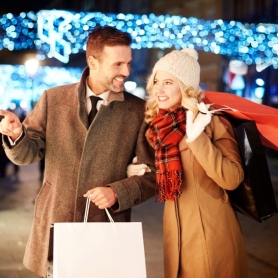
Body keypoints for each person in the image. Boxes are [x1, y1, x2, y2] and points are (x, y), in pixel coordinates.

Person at [0, 25, 156, 278]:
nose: (126, 72)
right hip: (55, 222)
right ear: (92, 61)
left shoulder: (138, 111)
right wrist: (17, 134)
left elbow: (153, 175)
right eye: (118, 64)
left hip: (106, 226)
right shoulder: (53, 99)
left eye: (128, 63)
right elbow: (27, 155)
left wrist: (118, 192)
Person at [128, 48, 248, 277]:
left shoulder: (210, 121)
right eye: (156, 81)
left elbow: (232, 179)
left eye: (168, 82)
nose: (159, 89)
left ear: (185, 86)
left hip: (210, 233)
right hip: (175, 233)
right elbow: (161, 172)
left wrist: (197, 139)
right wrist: (134, 167)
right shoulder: (157, 127)